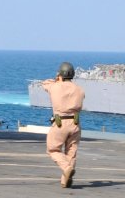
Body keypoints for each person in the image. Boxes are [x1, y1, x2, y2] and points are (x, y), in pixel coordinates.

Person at [42, 61, 85, 189]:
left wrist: (57, 79)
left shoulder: (54, 86)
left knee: (53, 149)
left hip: (60, 123)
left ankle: (66, 168)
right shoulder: (79, 89)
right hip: (75, 123)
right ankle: (65, 179)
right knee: (71, 152)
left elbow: (45, 83)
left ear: (60, 74)